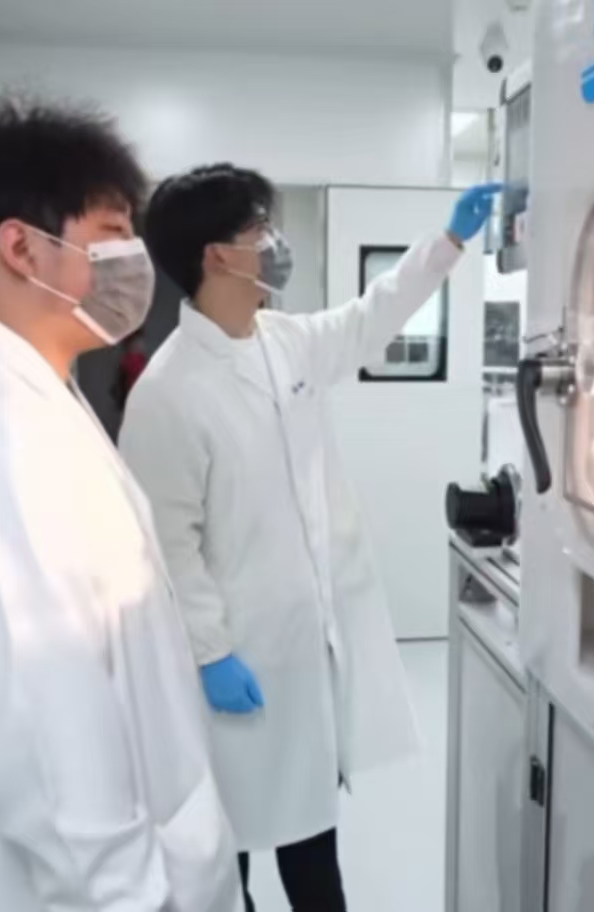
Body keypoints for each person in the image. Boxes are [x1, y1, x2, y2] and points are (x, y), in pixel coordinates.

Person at [0, 97, 241, 912]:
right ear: (21, 247)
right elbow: (51, 750)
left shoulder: (34, 398)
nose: (133, 262)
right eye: (111, 233)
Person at [119, 165, 500, 911]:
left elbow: (371, 317)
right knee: (227, 854)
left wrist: (449, 242)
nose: (274, 241)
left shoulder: (284, 341)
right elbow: (167, 543)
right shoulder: (167, 391)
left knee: (312, 838)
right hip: (239, 659)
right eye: (258, 228)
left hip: (307, 650)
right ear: (216, 255)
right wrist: (210, 652)